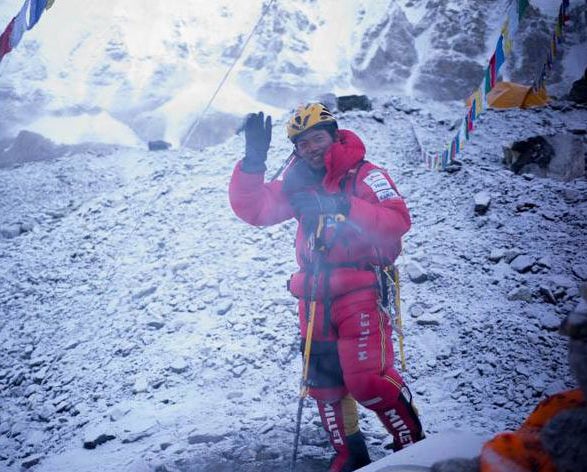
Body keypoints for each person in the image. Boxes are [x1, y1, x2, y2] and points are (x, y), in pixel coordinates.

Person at [229, 103, 425, 471]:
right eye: (301, 144)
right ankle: (350, 455)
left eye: (317, 137)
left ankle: (414, 450)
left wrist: (342, 205)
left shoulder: (366, 175)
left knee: (368, 381)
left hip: (360, 290)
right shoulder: (299, 183)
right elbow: (255, 210)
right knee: (324, 386)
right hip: (314, 296)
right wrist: (253, 161)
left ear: (334, 135)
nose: (310, 148)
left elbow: (398, 220)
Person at [431, 283, 587, 472]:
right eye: (575, 328)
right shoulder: (560, 407)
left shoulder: (565, 418)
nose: (574, 340)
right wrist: (477, 467)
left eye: (580, 330)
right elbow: (524, 454)